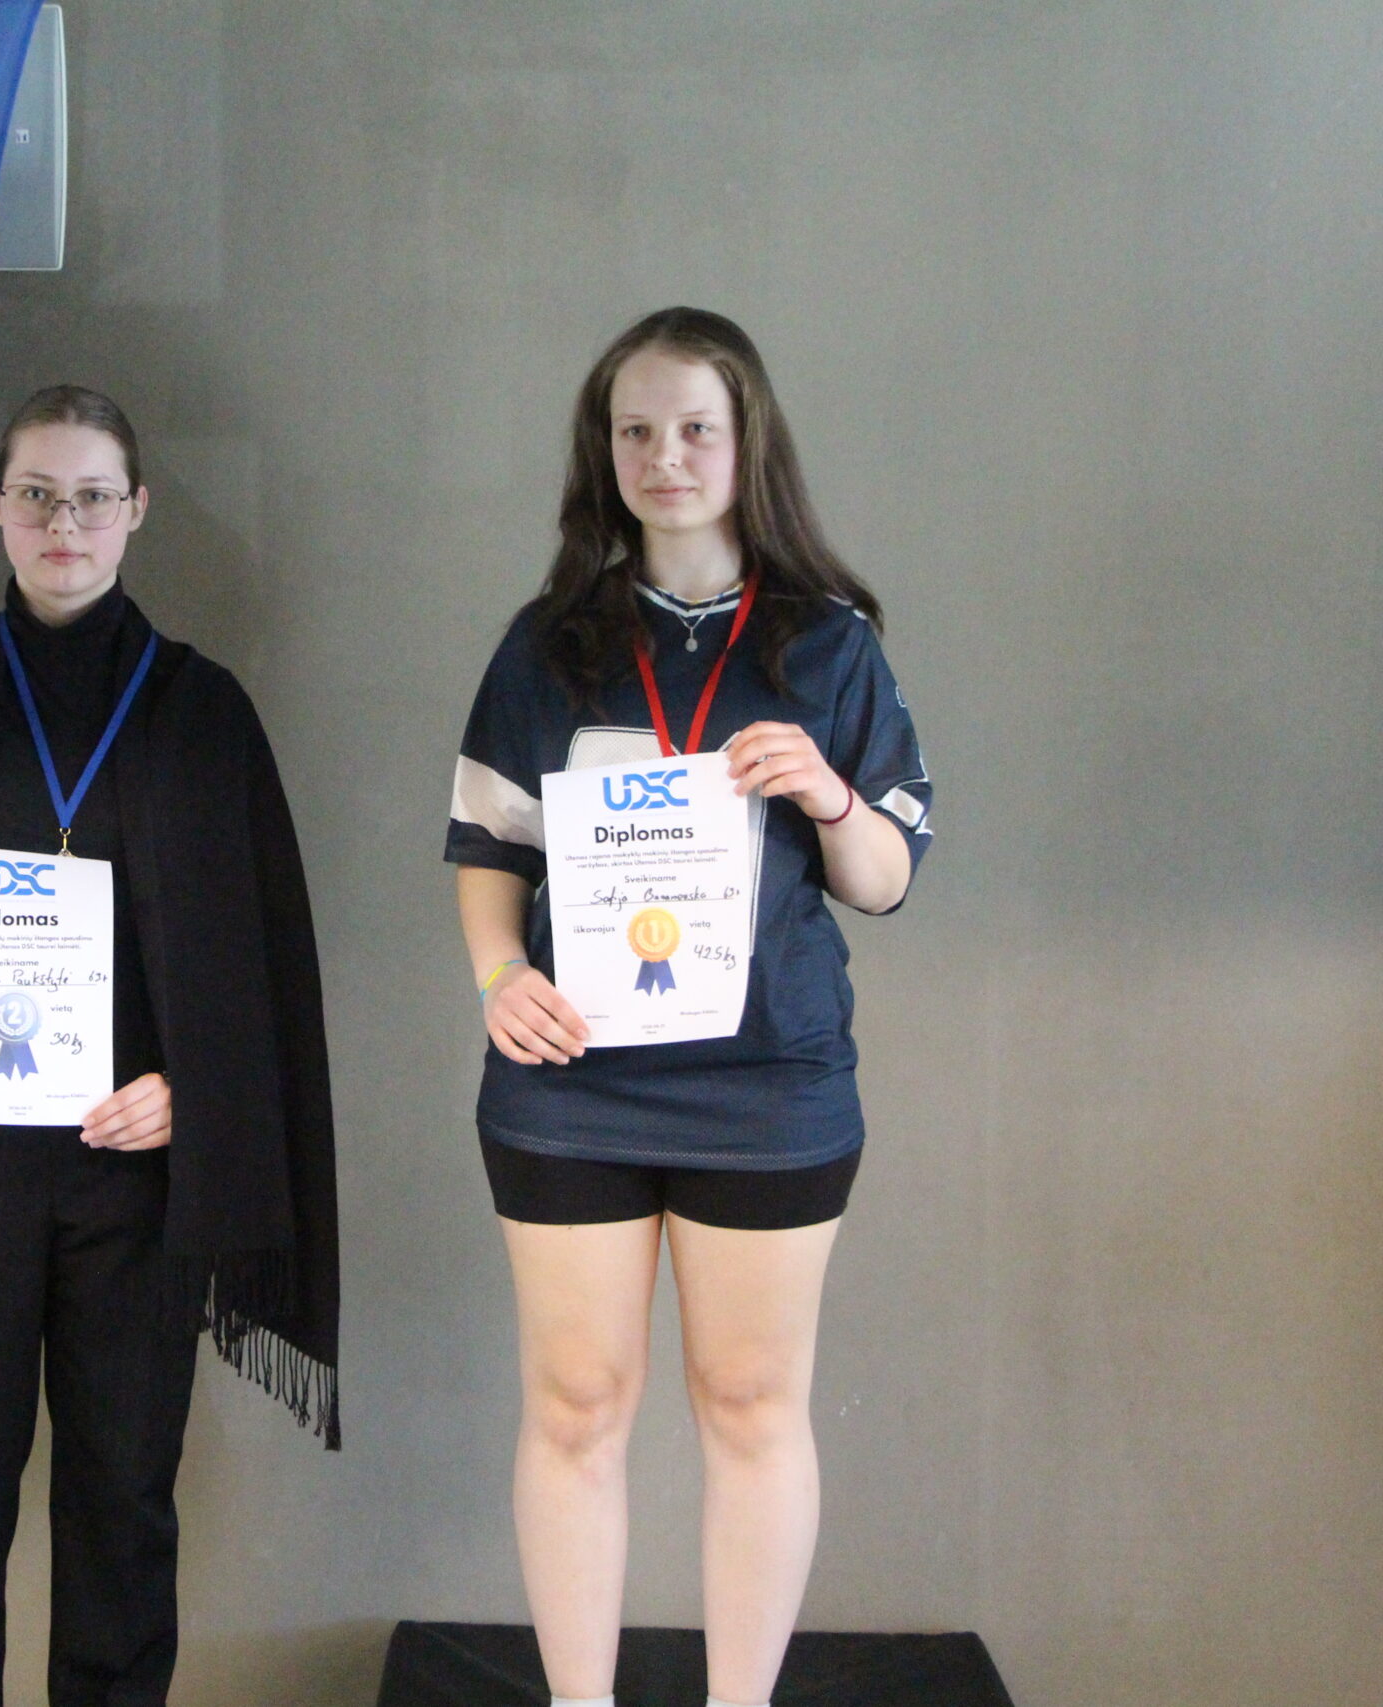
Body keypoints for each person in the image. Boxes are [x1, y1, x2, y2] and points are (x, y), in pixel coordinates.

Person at [0, 385, 340, 1707]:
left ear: (136, 511)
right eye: (38, 495)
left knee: (122, 1513)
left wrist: (194, 1094)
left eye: (92, 496)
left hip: (133, 1178)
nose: (65, 522)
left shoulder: (203, 714)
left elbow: (265, 962)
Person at [445, 308, 933, 1707]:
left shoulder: (829, 647)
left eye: (696, 428)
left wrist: (826, 794)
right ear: (604, 453)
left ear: (746, 443)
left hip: (767, 1086)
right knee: (576, 1405)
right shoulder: (547, 645)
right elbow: (487, 851)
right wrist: (501, 980)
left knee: (752, 1406)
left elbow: (887, 880)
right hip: (573, 1083)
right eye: (637, 430)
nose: (666, 454)